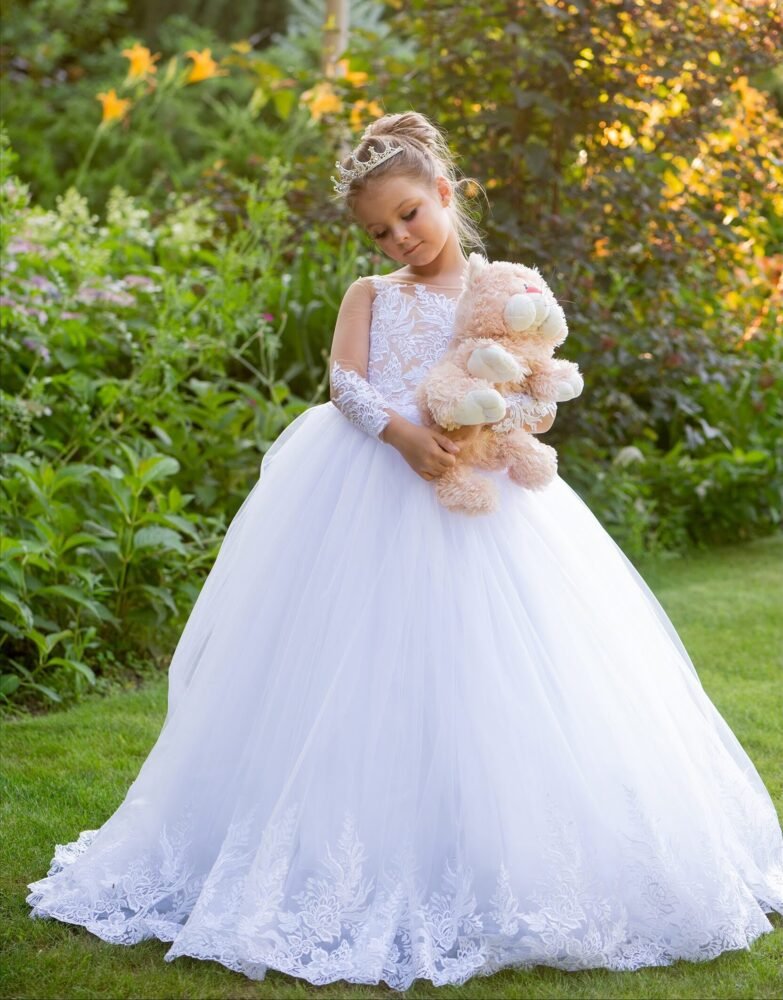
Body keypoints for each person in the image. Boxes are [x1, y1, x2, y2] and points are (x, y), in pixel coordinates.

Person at [27, 111, 783, 992]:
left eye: (409, 217)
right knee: (347, 664)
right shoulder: (370, 296)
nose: (398, 239)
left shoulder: (501, 292)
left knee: (490, 667)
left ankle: (492, 838)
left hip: (482, 498)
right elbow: (343, 381)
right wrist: (400, 434)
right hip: (367, 486)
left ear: (445, 194)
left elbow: (532, 388)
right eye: (379, 230)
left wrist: (495, 424)